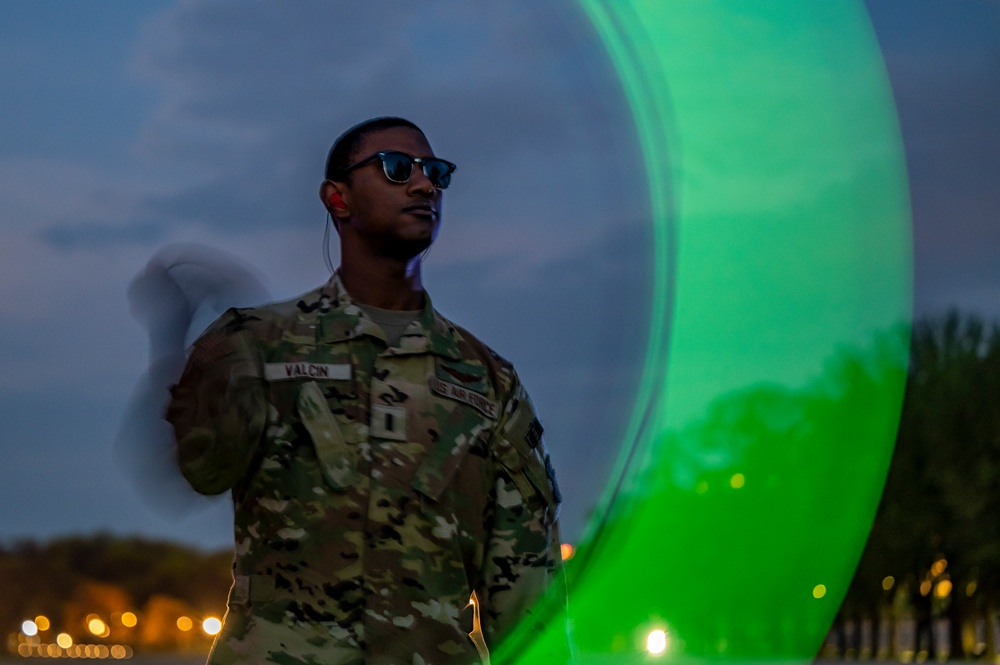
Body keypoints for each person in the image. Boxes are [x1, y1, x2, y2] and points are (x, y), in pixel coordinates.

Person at [166, 117, 567, 665]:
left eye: (437, 173)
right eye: (398, 170)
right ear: (339, 199)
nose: (425, 186)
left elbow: (526, 594)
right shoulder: (259, 345)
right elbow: (201, 470)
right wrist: (200, 366)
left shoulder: (486, 379)